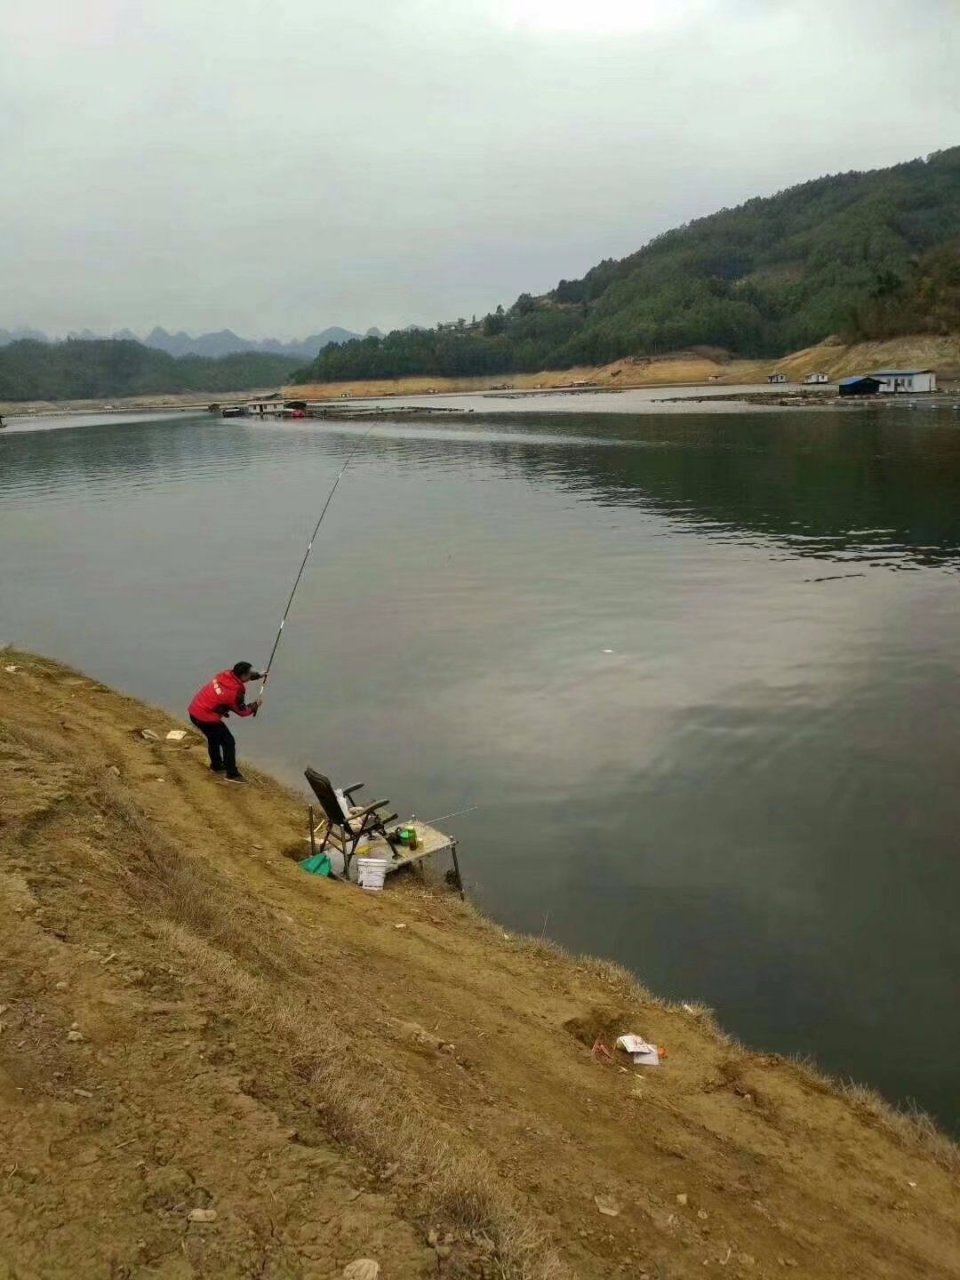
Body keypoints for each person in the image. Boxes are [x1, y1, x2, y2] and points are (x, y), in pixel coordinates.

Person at [188, 662, 262, 783]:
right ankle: (232, 774)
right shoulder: (234, 693)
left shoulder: (225, 675)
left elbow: (241, 678)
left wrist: (258, 675)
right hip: (205, 718)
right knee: (228, 742)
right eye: (250, 674)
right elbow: (242, 712)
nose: (251, 675)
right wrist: (254, 706)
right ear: (243, 675)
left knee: (214, 738)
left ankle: (216, 766)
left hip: (195, 711)